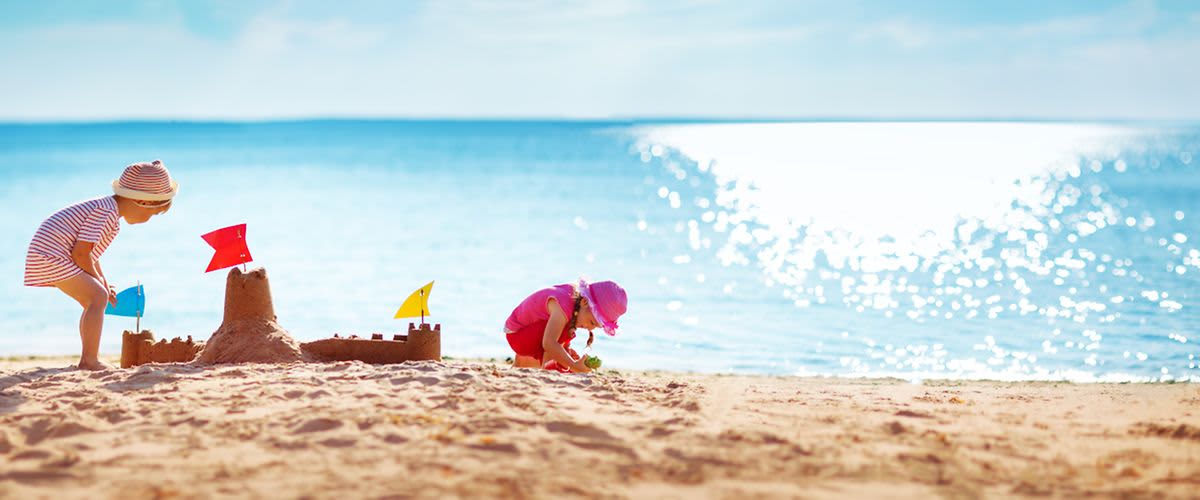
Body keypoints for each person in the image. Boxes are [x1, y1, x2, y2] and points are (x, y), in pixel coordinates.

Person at [24, 160, 178, 370]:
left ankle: (88, 358)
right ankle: (90, 360)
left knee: (95, 298)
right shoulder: (106, 213)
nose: (148, 219)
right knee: (97, 297)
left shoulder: (108, 211)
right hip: (51, 255)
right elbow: (80, 253)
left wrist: (103, 281)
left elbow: (91, 254)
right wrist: (99, 284)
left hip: (54, 254)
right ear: (142, 201)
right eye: (151, 214)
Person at [504, 279, 626, 372]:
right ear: (584, 302)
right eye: (592, 322)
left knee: (562, 347)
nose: (590, 328)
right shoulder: (563, 305)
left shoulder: (573, 303)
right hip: (518, 334)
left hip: (526, 332)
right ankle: (547, 369)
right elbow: (549, 342)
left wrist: (566, 353)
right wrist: (574, 365)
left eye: (596, 326)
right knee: (560, 337)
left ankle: (525, 366)